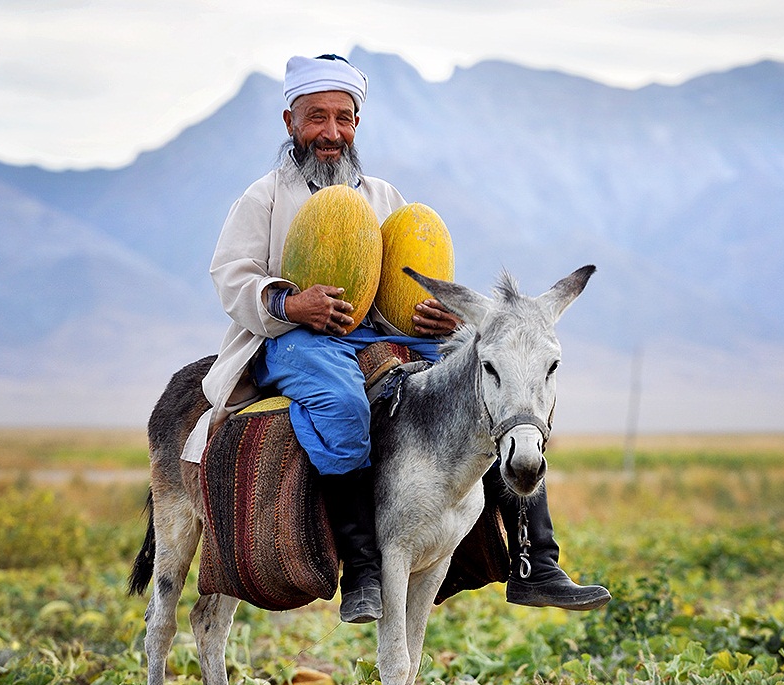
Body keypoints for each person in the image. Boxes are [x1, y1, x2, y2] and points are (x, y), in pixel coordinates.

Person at [182, 53, 610, 624]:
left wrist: (433, 319)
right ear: (290, 122)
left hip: (375, 337)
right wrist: (290, 300)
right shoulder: (263, 197)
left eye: (344, 118)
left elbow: (403, 283)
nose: (331, 132)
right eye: (317, 117)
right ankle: (361, 567)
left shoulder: (385, 198)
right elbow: (230, 274)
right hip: (294, 339)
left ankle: (537, 561)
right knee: (338, 401)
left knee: (485, 380)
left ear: (357, 123)